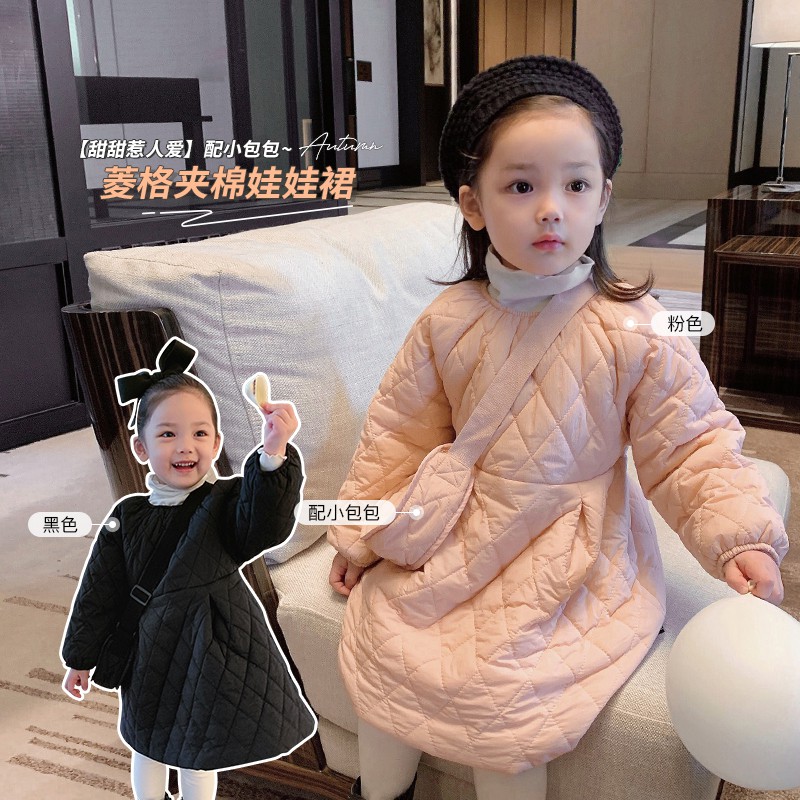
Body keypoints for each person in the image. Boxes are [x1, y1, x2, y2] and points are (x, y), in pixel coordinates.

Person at [327, 55, 789, 800]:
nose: (551, 209)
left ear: (603, 198)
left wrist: (740, 536)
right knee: (389, 645)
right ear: (473, 204)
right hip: (458, 528)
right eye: (521, 186)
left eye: (575, 185)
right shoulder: (446, 320)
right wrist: (359, 536)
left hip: (570, 545)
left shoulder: (637, 327)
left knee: (511, 696)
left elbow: (692, 441)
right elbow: (399, 435)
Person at [60, 338, 317, 800]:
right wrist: (80, 657)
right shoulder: (127, 517)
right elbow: (99, 591)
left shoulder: (224, 503)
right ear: (140, 447)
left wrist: (273, 454)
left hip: (207, 649)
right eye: (167, 434)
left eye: (200, 434)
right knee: (147, 744)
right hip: (148, 651)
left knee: (199, 752)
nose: (185, 446)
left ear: (217, 443)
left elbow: (265, 524)